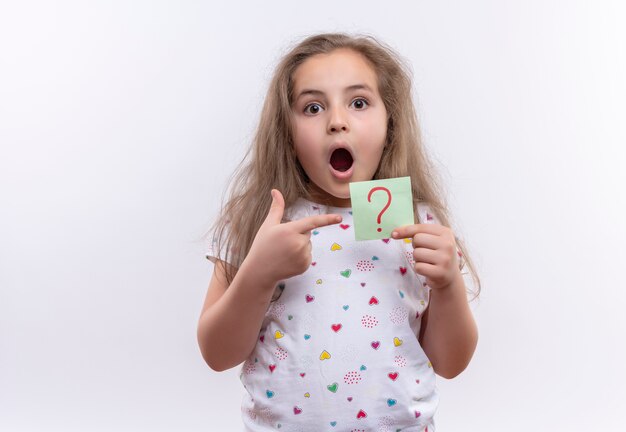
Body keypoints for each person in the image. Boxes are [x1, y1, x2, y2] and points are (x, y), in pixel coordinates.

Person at [197, 32, 481, 432]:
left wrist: (449, 285)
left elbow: (451, 363)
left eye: (359, 102)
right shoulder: (259, 222)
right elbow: (216, 353)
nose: (337, 121)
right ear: (287, 133)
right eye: (313, 107)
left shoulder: (419, 225)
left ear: (390, 122)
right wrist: (257, 275)